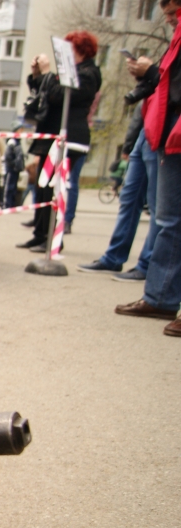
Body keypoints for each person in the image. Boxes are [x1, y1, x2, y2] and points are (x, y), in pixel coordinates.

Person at [115, 0, 181, 337]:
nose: (168, 19)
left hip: (176, 133)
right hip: (167, 133)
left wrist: (151, 72)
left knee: (171, 220)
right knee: (167, 219)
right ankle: (161, 295)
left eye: (171, 12)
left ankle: (162, 295)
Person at [18, 33, 102, 251]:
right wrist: (38, 76)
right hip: (53, 137)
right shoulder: (72, 73)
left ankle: (52, 238)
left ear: (81, 49)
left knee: (54, 189)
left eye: (70, 48)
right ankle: (40, 233)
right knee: (42, 186)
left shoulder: (89, 74)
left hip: (69, 138)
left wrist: (47, 75)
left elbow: (59, 96)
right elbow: (45, 93)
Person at [78, 107, 160, 278]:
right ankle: (113, 258)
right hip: (144, 130)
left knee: (157, 205)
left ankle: (146, 265)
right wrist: (129, 142)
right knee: (128, 199)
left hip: (162, 126)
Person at [3, 126, 26, 208]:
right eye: (20, 130)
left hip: (16, 169)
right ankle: (6, 204)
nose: (22, 132)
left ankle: (12, 204)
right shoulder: (12, 142)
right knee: (9, 187)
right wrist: (14, 164)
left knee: (13, 187)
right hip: (11, 169)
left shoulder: (18, 142)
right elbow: (8, 156)